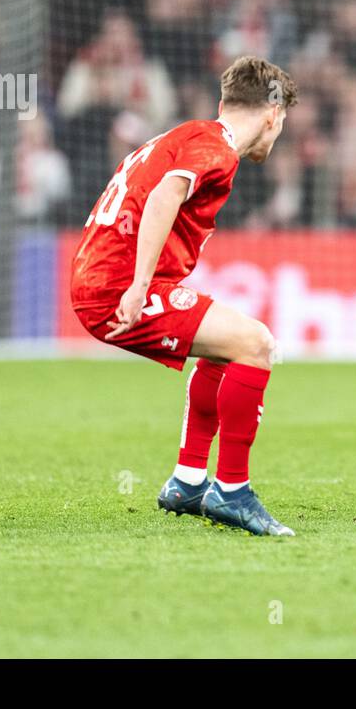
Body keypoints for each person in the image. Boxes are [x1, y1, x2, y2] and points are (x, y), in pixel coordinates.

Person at [70, 56, 299, 536]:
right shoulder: (216, 147)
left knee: (226, 348)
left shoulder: (189, 134)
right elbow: (163, 197)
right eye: (282, 125)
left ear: (223, 101)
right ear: (273, 115)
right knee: (256, 344)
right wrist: (137, 286)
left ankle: (188, 480)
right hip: (115, 285)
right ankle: (232, 491)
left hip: (98, 278)